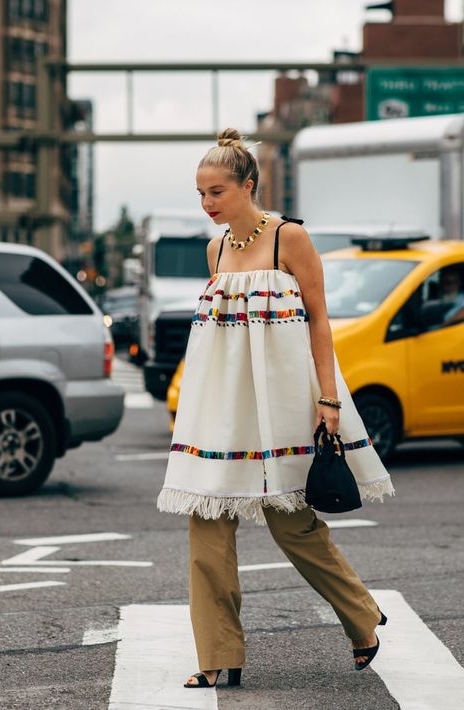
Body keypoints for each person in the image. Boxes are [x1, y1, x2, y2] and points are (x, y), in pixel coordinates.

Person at [157, 128, 395, 689]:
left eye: (216, 191)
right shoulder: (214, 249)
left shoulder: (290, 238)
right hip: (222, 403)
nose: (207, 204)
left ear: (248, 186)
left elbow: (318, 318)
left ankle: (362, 618)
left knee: (293, 524)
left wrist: (328, 399)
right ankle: (217, 655)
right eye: (199, 193)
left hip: (284, 398)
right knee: (206, 520)